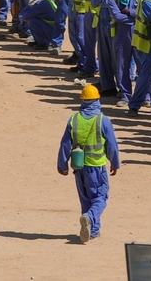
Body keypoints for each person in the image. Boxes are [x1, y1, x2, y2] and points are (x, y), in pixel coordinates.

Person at [58, 85, 120, 243]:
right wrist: (115, 163)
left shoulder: (74, 119)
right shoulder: (103, 120)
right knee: (100, 197)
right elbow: (112, 145)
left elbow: (65, 144)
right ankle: (90, 217)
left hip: (79, 167)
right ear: (97, 100)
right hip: (96, 167)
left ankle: (93, 231)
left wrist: (62, 165)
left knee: (85, 199)